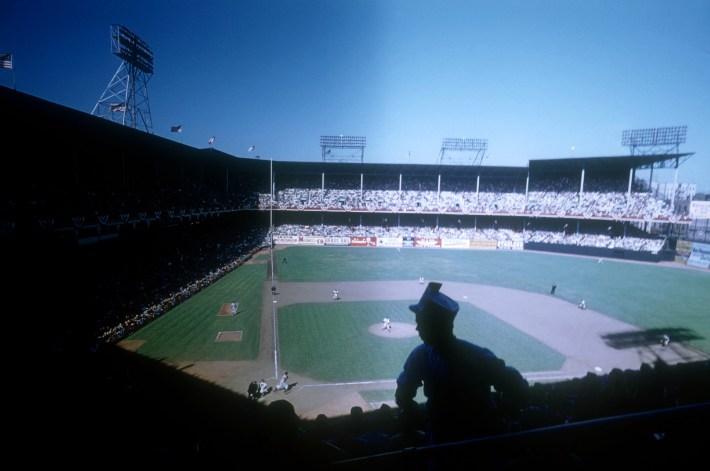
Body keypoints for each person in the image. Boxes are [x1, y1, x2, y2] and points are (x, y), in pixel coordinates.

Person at [395, 282, 529, 463]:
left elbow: (402, 396)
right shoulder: (478, 356)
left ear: (435, 325)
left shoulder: (420, 356)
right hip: (482, 447)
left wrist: (422, 417)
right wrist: (500, 413)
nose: (417, 328)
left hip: (445, 448)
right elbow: (518, 386)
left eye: (420, 322)